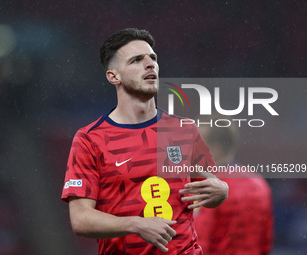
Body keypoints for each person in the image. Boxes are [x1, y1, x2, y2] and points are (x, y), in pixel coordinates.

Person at [61, 28, 228, 255]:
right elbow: (81, 220)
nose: (150, 64)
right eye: (137, 60)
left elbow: (206, 191)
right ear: (114, 77)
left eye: (153, 58)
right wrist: (135, 224)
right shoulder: (90, 139)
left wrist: (222, 190)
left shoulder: (184, 129)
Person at [194, 116, 273, 255]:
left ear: (216, 149)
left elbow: (199, 243)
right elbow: (265, 242)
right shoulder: (260, 184)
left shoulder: (207, 187)